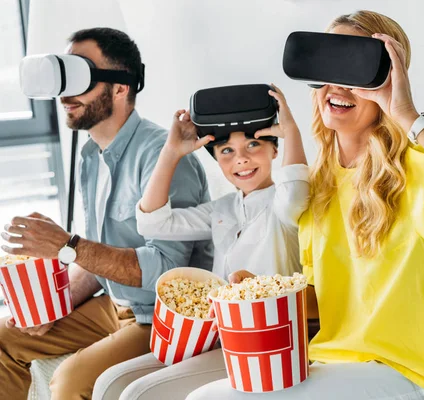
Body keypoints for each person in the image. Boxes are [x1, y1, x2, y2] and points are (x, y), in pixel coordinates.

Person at [186, 10, 424, 400]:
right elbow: (322, 298)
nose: (340, 86)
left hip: (419, 375)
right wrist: (262, 293)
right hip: (338, 366)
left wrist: (409, 116)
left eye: (357, 70)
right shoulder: (320, 184)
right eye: (328, 66)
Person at [0, 27, 212, 400]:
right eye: (62, 78)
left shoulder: (163, 158)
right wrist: (55, 304)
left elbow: (169, 273)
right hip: (114, 305)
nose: (66, 95)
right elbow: (100, 257)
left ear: (120, 88)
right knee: (3, 338)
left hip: (163, 317)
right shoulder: (89, 157)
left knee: (70, 382)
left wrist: (69, 245)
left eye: (80, 78)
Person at [92, 85, 309, 400]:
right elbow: (152, 222)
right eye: (227, 151)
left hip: (260, 342)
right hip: (215, 335)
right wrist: (171, 152)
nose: (242, 160)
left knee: (137, 394)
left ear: (275, 149)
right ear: (216, 159)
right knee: (108, 383)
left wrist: (292, 131)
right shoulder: (222, 209)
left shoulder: (284, 204)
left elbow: (295, 195)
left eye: (254, 144)